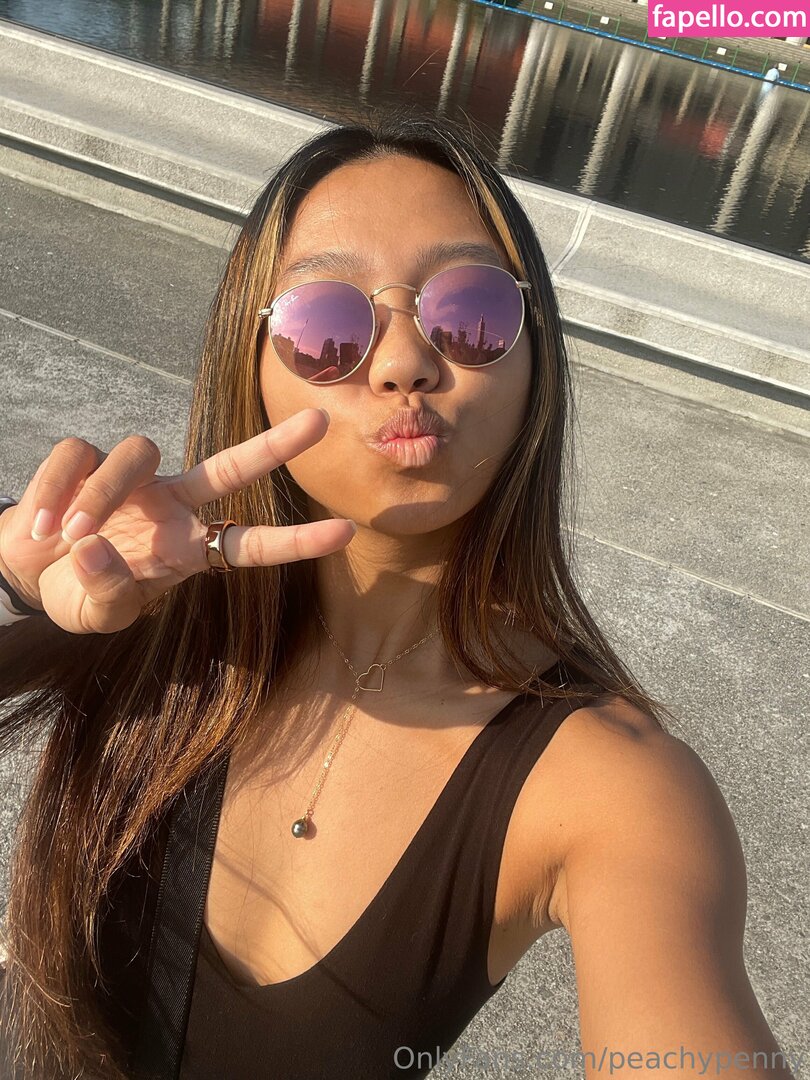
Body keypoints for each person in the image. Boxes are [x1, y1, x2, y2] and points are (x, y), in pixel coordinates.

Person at [0, 110, 794, 1080]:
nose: (404, 360)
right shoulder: (142, 601)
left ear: (536, 360)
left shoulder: (608, 785)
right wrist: (17, 571)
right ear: (251, 368)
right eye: (325, 328)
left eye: (470, 312)